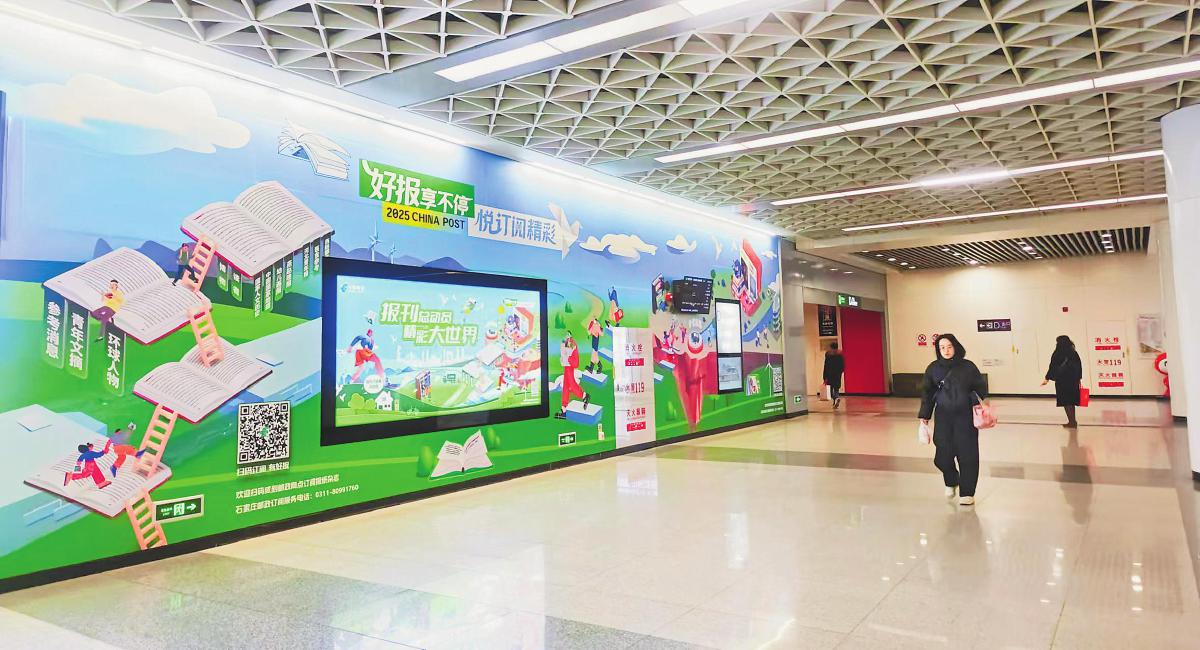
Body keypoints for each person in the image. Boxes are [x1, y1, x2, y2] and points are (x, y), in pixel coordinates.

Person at [919, 334, 989, 506]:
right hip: (943, 416)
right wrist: (924, 416)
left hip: (965, 416)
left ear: (956, 347)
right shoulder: (933, 368)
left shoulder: (968, 367)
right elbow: (927, 393)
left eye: (949, 346)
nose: (946, 350)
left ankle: (967, 493)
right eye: (942, 347)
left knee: (968, 454)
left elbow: (980, 387)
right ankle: (951, 480)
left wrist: (980, 401)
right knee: (942, 455)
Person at [1043, 335, 1083, 428]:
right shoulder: (1073, 353)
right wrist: (1079, 378)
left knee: (1066, 402)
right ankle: (1073, 421)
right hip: (1073, 381)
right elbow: (1079, 367)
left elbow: (1052, 366)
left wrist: (1047, 378)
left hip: (1062, 381)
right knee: (1071, 402)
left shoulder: (1057, 353)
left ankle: (1071, 422)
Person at [556, 332, 590, 419]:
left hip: (570, 365)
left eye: (567, 336)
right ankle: (564, 408)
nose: (566, 338)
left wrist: (566, 354)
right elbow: (563, 354)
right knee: (566, 386)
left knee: (571, 383)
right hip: (567, 365)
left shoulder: (572, 343)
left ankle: (584, 395)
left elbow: (571, 356)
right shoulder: (566, 342)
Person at [822, 343, 846, 409]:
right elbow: (842, 365)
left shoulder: (828, 355)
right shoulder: (840, 355)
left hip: (829, 375)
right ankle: (836, 400)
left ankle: (835, 399)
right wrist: (840, 372)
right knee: (836, 389)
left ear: (831, 347)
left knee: (830, 391)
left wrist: (824, 377)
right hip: (837, 375)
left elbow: (826, 366)